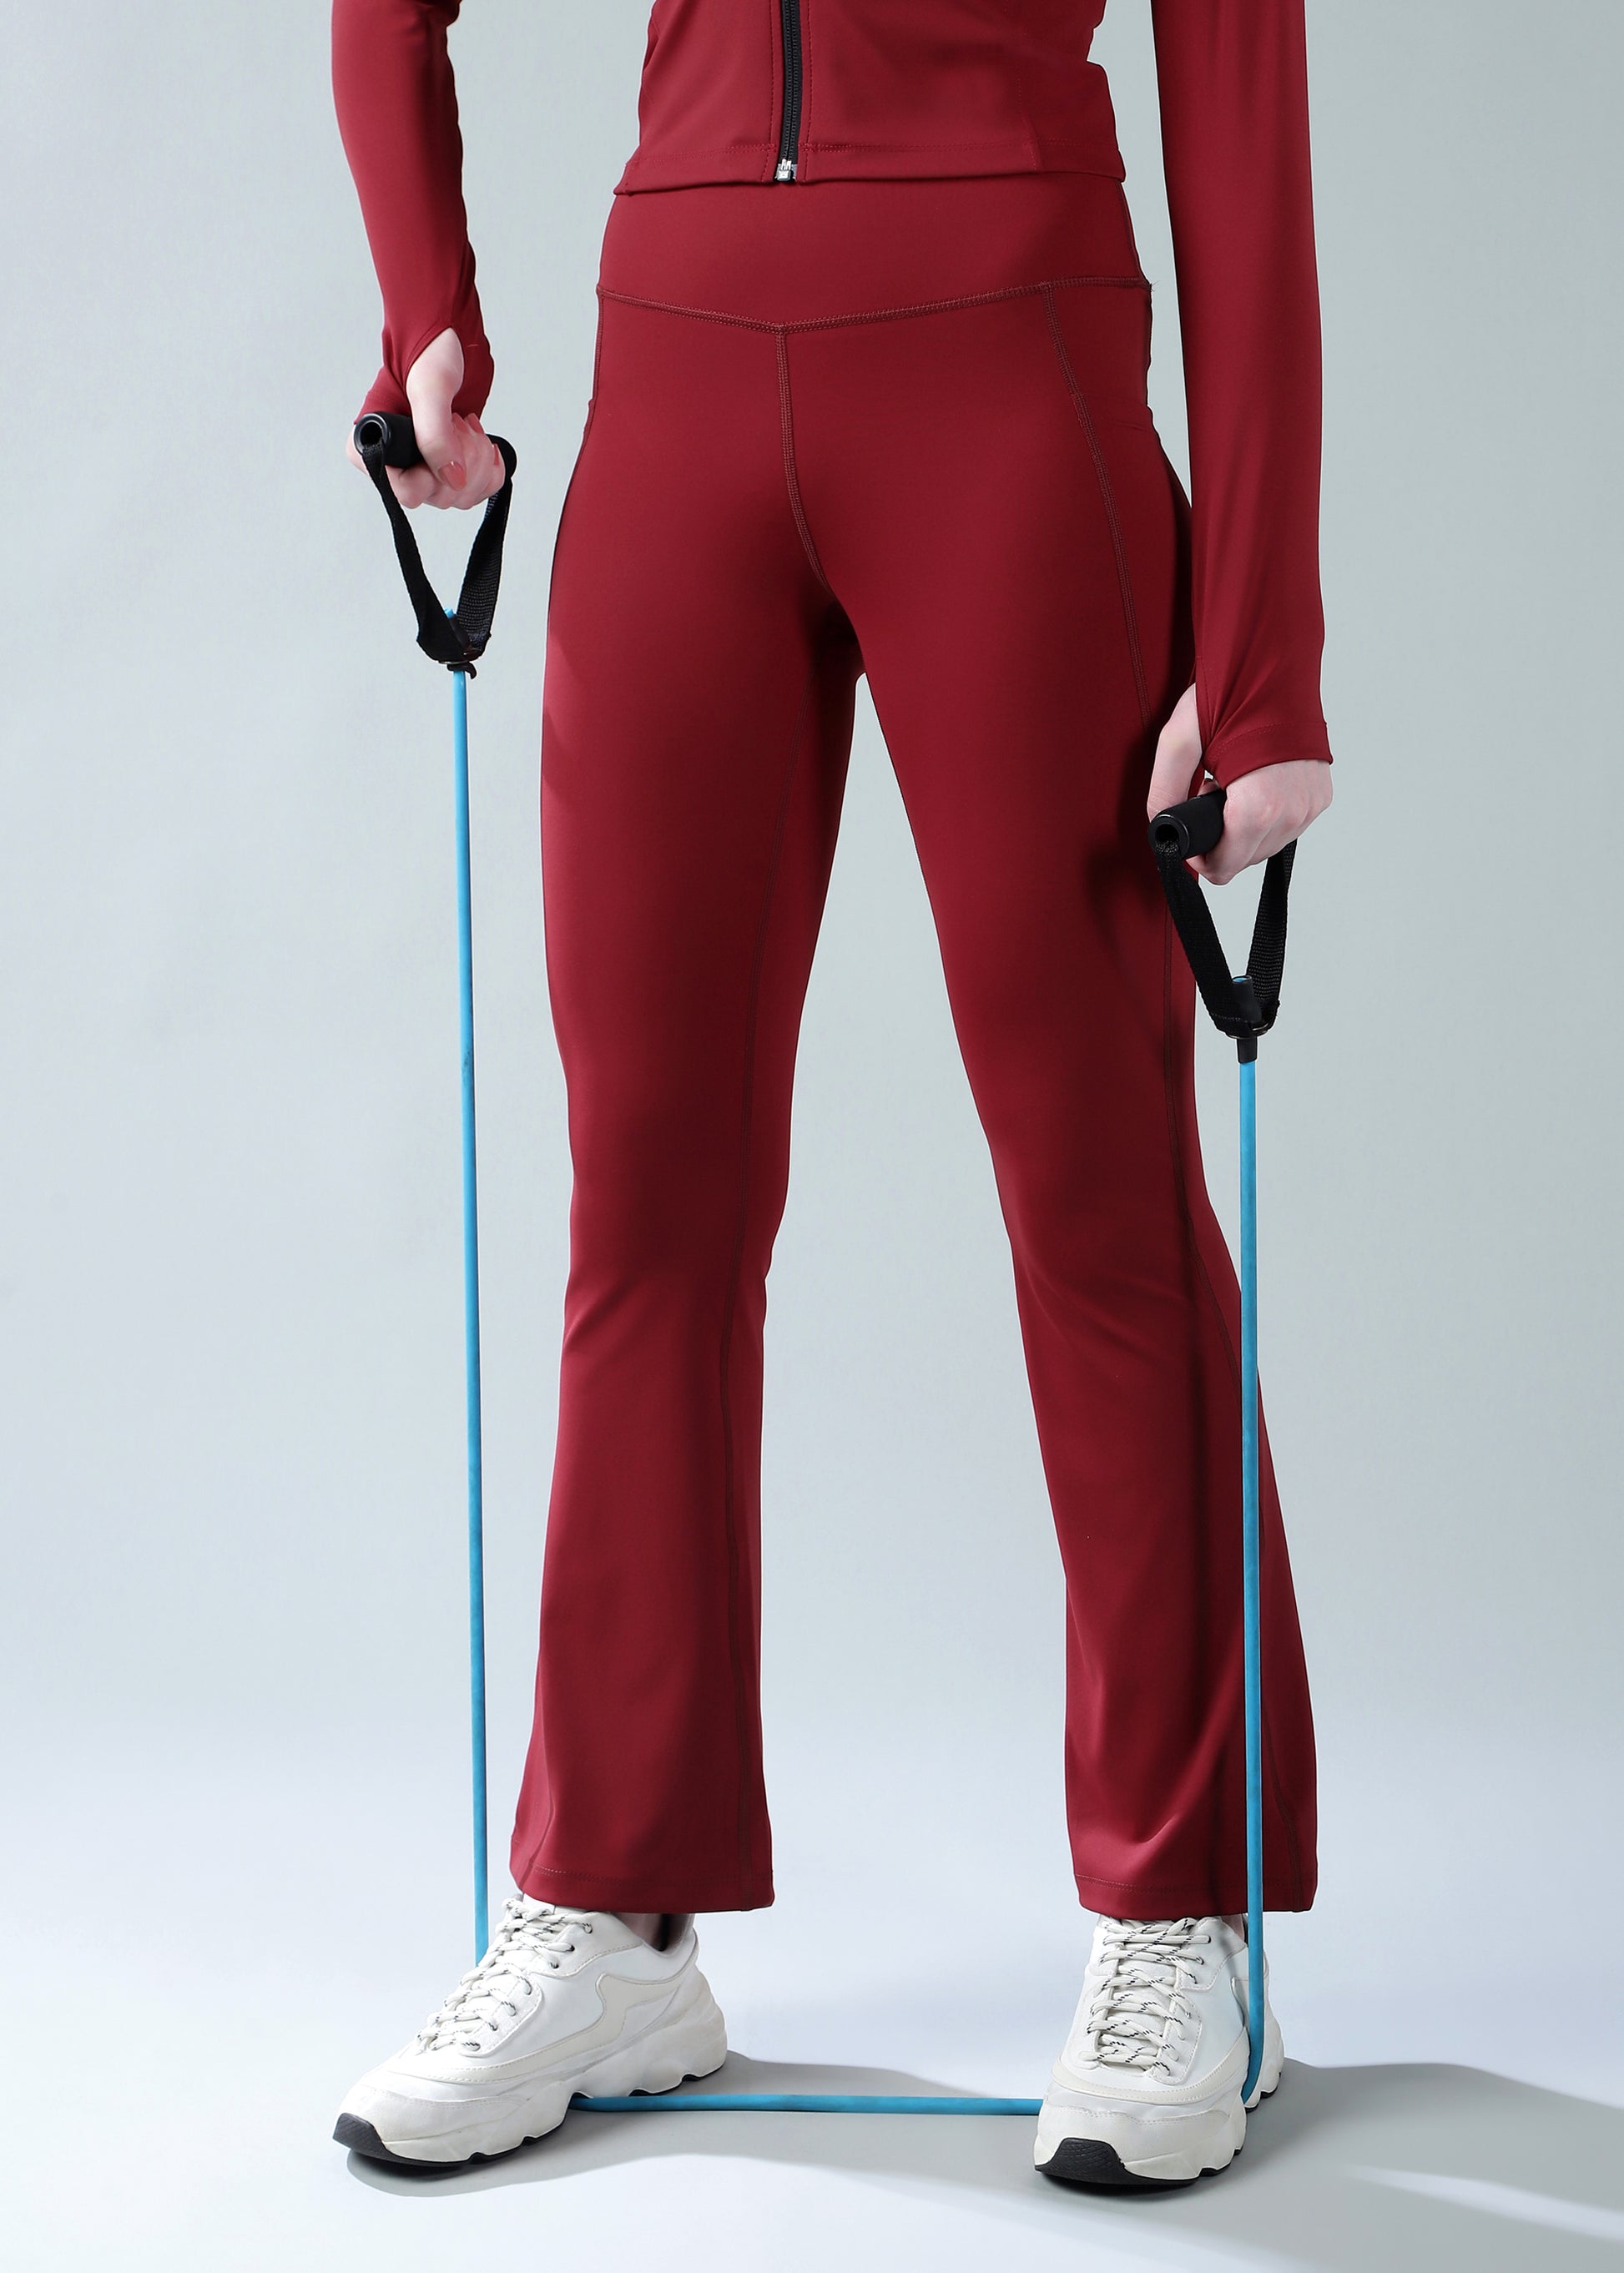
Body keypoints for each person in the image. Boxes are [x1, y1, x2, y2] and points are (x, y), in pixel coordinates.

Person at [330, 0, 1333, 2191]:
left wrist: (1262, 657)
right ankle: (616, 1908)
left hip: (1007, 370)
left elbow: (1243, 129)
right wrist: (427, 309)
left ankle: (1186, 1905)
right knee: (648, 1205)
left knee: (1093, 1189)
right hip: (673, 375)